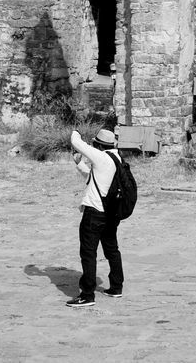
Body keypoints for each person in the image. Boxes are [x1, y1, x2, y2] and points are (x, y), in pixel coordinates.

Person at [66, 128, 124, 308]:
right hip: (110, 212)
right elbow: (96, 178)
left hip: (95, 213)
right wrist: (80, 164)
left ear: (98, 144)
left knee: (88, 253)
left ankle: (87, 294)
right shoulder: (117, 159)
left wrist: (75, 131)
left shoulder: (102, 157)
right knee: (112, 249)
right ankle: (116, 287)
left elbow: (77, 143)